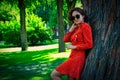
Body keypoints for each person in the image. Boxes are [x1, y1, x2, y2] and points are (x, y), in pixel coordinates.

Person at [51, 7, 93, 80]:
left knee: (54, 75)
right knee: (70, 78)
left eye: (77, 16)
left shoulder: (86, 27)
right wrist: (71, 29)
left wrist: (74, 47)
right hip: (72, 56)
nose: (75, 19)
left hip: (78, 58)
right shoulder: (76, 28)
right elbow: (65, 39)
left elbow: (89, 44)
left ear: (83, 16)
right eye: (73, 18)